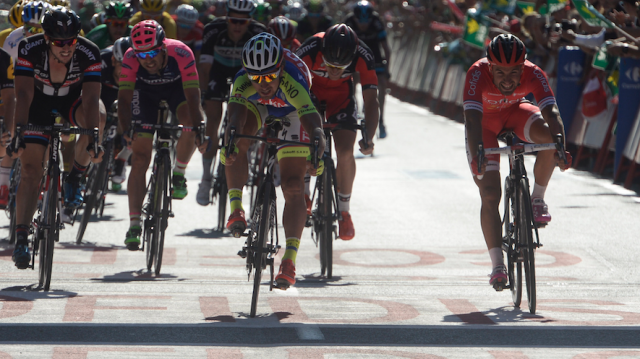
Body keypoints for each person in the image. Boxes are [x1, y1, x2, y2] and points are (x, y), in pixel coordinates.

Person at [463, 34, 571, 291]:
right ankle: (498, 264)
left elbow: (552, 112)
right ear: (490, 67)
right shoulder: (476, 73)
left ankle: (537, 198)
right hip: (484, 124)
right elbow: (471, 118)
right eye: (500, 72)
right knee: (490, 194)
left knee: (549, 138)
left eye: (514, 72)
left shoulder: (535, 72)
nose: (508, 79)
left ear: (524, 66)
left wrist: (561, 147)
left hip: (515, 113)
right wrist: (478, 152)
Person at [224, 32, 325, 288]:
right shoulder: (242, 82)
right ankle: (236, 208)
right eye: (256, 77)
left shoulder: (293, 79)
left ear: (279, 68)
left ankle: (289, 261)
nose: (263, 83)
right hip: (260, 107)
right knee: (238, 140)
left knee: (293, 186)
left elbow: (313, 123)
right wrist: (230, 143)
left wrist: (317, 149)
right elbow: (234, 119)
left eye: (269, 76)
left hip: (292, 110)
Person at [10, 6, 105, 269]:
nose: (66, 47)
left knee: (99, 115)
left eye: (71, 41)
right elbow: (24, 95)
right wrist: (19, 132)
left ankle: (75, 175)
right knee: (30, 170)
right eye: (59, 42)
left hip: (73, 102)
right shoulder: (29, 49)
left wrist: (94, 138)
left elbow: (91, 98)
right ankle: (21, 237)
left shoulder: (88, 52)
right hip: (37, 103)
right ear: (46, 38)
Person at [118, 20, 207, 250]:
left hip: (177, 89)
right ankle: (135, 223)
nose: (147, 60)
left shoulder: (181, 52)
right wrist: (126, 129)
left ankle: (179, 172)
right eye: (141, 55)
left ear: (163, 47)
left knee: (189, 122)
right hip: (144, 93)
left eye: (153, 53)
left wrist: (199, 128)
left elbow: (193, 96)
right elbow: (125, 99)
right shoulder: (129, 57)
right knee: (139, 159)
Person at [295, 24, 378, 241]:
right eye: (329, 65)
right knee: (305, 141)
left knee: (345, 151)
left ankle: (344, 210)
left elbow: (371, 100)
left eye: (341, 67)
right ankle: (304, 193)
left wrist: (369, 135)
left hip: (341, 100)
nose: (334, 71)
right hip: (310, 95)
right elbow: (290, 86)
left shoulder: (364, 54)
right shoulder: (310, 48)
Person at [196, 0, 265, 206]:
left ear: (250, 21)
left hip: (246, 76)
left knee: (244, 121)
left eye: (242, 22)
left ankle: (244, 152)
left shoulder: (258, 32)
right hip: (218, 72)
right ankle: (206, 178)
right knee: (213, 120)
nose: (237, 26)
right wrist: (204, 93)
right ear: (226, 18)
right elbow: (205, 67)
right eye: (233, 21)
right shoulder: (213, 29)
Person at [344, 0, 391, 138]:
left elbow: (386, 49)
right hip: (354, 57)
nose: (363, 26)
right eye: (360, 22)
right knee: (351, 82)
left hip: (374, 57)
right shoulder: (349, 22)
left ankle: (381, 120)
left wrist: (387, 70)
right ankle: (354, 108)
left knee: (381, 84)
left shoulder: (376, 22)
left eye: (366, 22)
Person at [101, 37, 131, 192]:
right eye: (121, 65)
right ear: (113, 61)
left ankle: (122, 158)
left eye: (130, 66)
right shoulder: (102, 61)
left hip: (128, 93)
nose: (124, 71)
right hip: (104, 91)